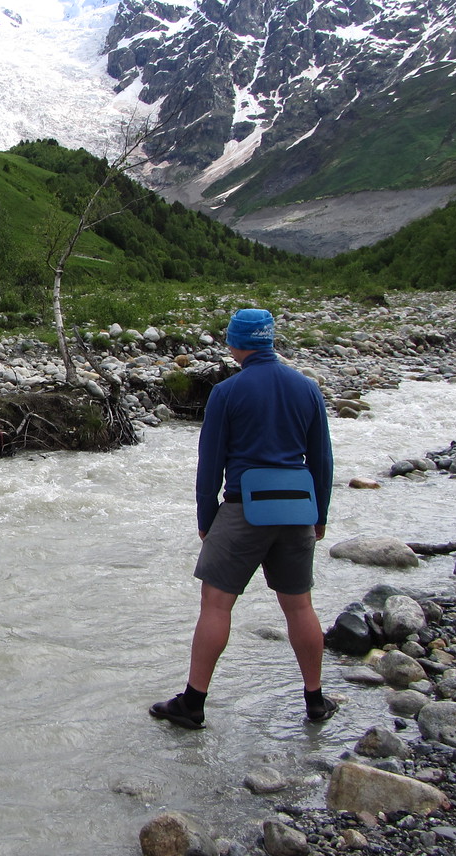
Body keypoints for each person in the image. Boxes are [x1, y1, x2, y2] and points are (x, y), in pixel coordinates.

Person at [150, 308, 336, 729]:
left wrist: (206, 517)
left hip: (243, 508)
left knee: (217, 605)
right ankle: (316, 701)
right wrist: (319, 514)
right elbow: (322, 460)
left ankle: (193, 704)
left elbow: (210, 463)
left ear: (237, 343)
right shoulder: (307, 389)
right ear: (269, 340)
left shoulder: (226, 392)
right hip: (297, 510)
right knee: (300, 605)